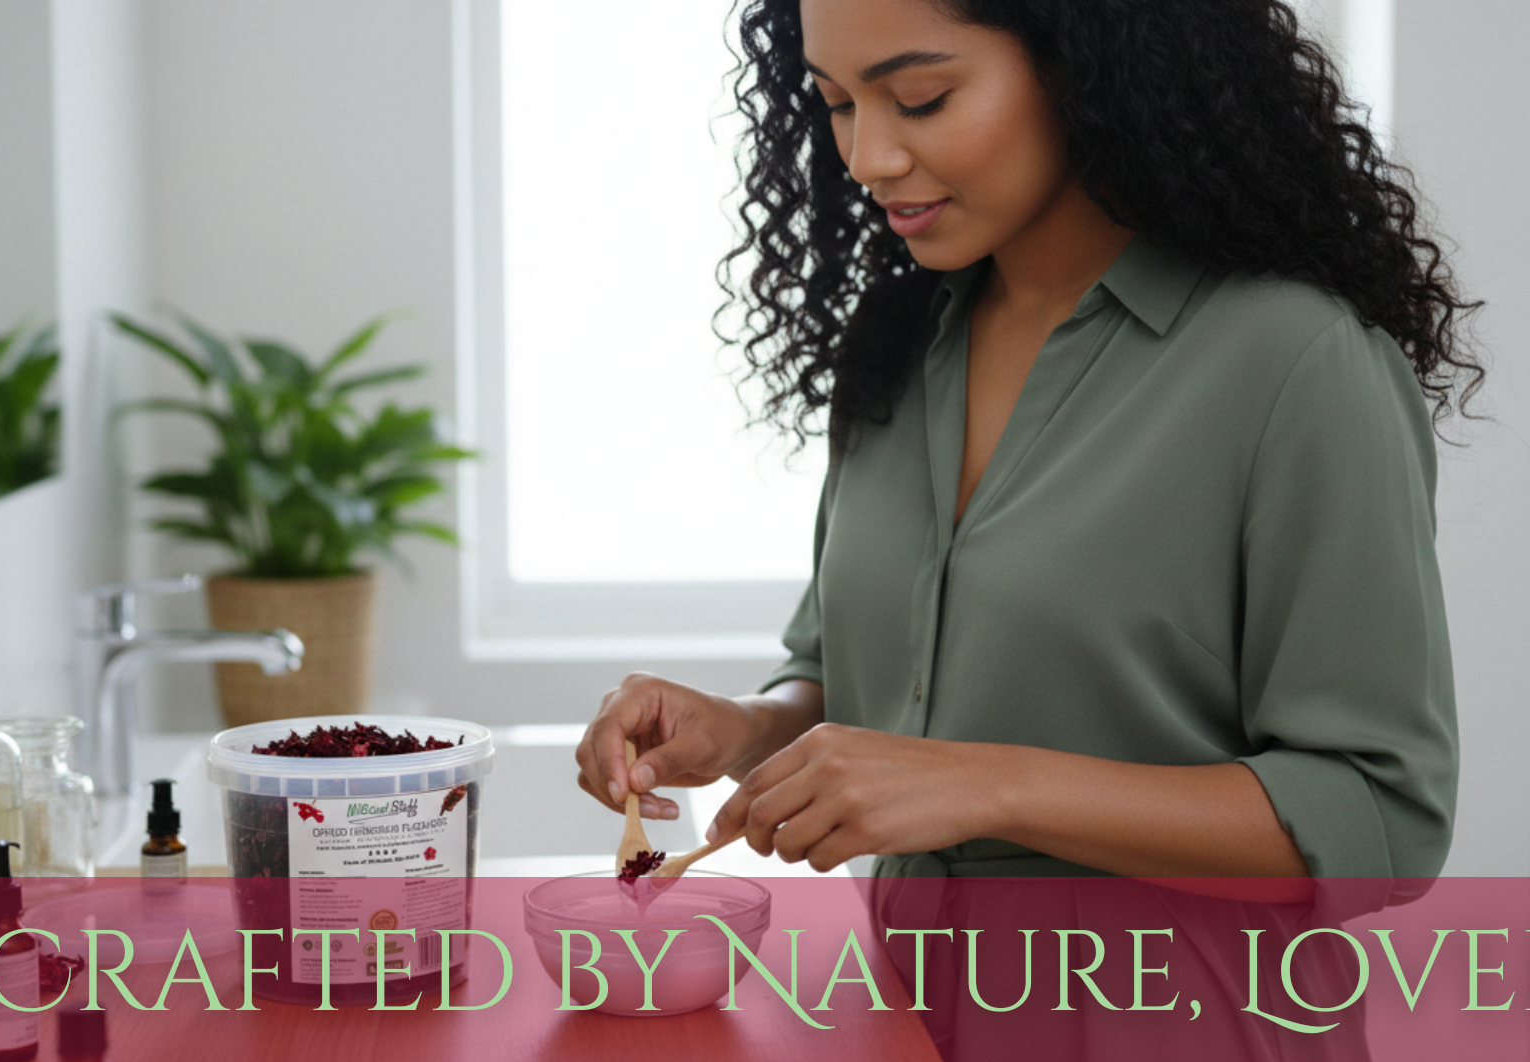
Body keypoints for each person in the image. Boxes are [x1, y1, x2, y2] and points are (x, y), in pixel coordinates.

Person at [576, 0, 1472, 909]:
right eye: (837, 102)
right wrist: (743, 729)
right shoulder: (896, 344)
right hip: (899, 1020)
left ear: (1089, 63)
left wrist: (987, 786)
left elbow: (1382, 824)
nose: (867, 158)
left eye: (920, 99)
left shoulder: (1294, 363)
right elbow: (868, 687)